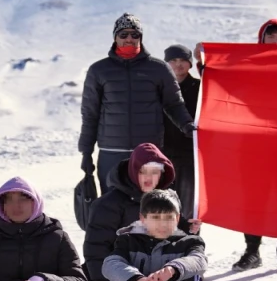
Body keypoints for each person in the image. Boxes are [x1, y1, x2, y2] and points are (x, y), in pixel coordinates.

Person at [79, 143, 198, 281]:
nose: (149, 179)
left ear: (162, 174)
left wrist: (186, 228)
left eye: (154, 173)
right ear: (134, 172)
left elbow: (173, 229)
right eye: (143, 172)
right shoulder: (108, 204)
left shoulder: (168, 197)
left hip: (151, 264)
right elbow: (96, 246)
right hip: (115, 266)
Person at [79, 12, 196, 193]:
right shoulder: (99, 70)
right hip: (111, 152)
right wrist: (86, 152)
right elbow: (90, 114)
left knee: (149, 204)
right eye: (123, 34)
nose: (129, 39)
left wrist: (186, 125)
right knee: (112, 204)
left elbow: (173, 104)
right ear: (115, 37)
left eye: (135, 35)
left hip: (148, 151)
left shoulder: (158, 68)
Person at [233, 18, 277, 272]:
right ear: (262, 39)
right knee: (254, 198)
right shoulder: (249, 66)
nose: (276, 41)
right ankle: (252, 250)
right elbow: (224, 80)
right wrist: (206, 62)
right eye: (272, 36)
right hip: (254, 144)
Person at [161, 44, 200, 220]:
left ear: (190, 63)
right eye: (173, 60)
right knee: (162, 205)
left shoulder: (201, 88)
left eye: (183, 60)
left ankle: (190, 242)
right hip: (162, 155)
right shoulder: (158, 88)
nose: (178, 65)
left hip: (190, 156)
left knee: (189, 207)